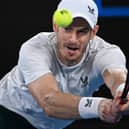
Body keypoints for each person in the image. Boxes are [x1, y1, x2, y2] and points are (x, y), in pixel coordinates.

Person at [0, 0, 129, 129]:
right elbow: (49, 102)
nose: (73, 39)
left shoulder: (107, 53)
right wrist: (100, 106)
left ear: (93, 33)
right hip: (10, 114)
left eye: (82, 32)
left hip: (58, 122)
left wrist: (122, 95)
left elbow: (116, 77)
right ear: (55, 26)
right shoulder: (34, 48)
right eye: (67, 29)